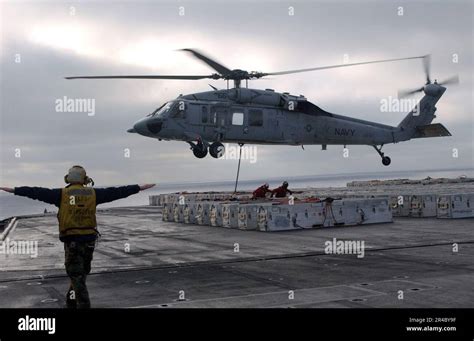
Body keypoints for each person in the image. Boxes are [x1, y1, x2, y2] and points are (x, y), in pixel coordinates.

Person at [0, 165, 155, 309]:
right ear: (84, 179)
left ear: (68, 179)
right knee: (81, 274)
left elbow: (36, 192)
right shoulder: (93, 194)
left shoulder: (60, 194)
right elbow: (117, 192)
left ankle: (82, 305)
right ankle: (71, 302)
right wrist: (138, 188)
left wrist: (14, 190)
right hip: (89, 241)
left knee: (76, 276)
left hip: (72, 241)